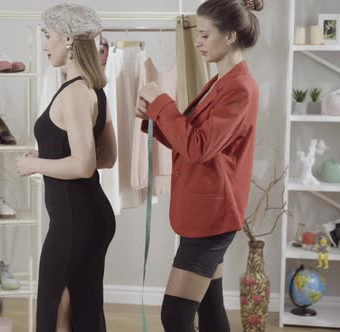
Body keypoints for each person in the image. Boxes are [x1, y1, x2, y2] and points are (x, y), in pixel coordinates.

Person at [136, 0, 264, 330]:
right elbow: (195, 140)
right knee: (210, 308)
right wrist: (154, 116)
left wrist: (162, 104)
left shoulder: (239, 87)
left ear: (231, 36)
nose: (198, 42)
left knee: (175, 315)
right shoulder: (220, 82)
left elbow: (199, 148)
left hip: (212, 217)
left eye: (205, 35)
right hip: (208, 210)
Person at [14, 4, 117, 331]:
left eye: (48, 36)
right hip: (91, 217)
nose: (45, 44)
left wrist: (35, 165)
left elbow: (85, 165)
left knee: (56, 309)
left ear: (68, 38)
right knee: (77, 310)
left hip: (75, 222)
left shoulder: (73, 93)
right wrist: (49, 153)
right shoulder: (95, 90)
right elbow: (107, 157)